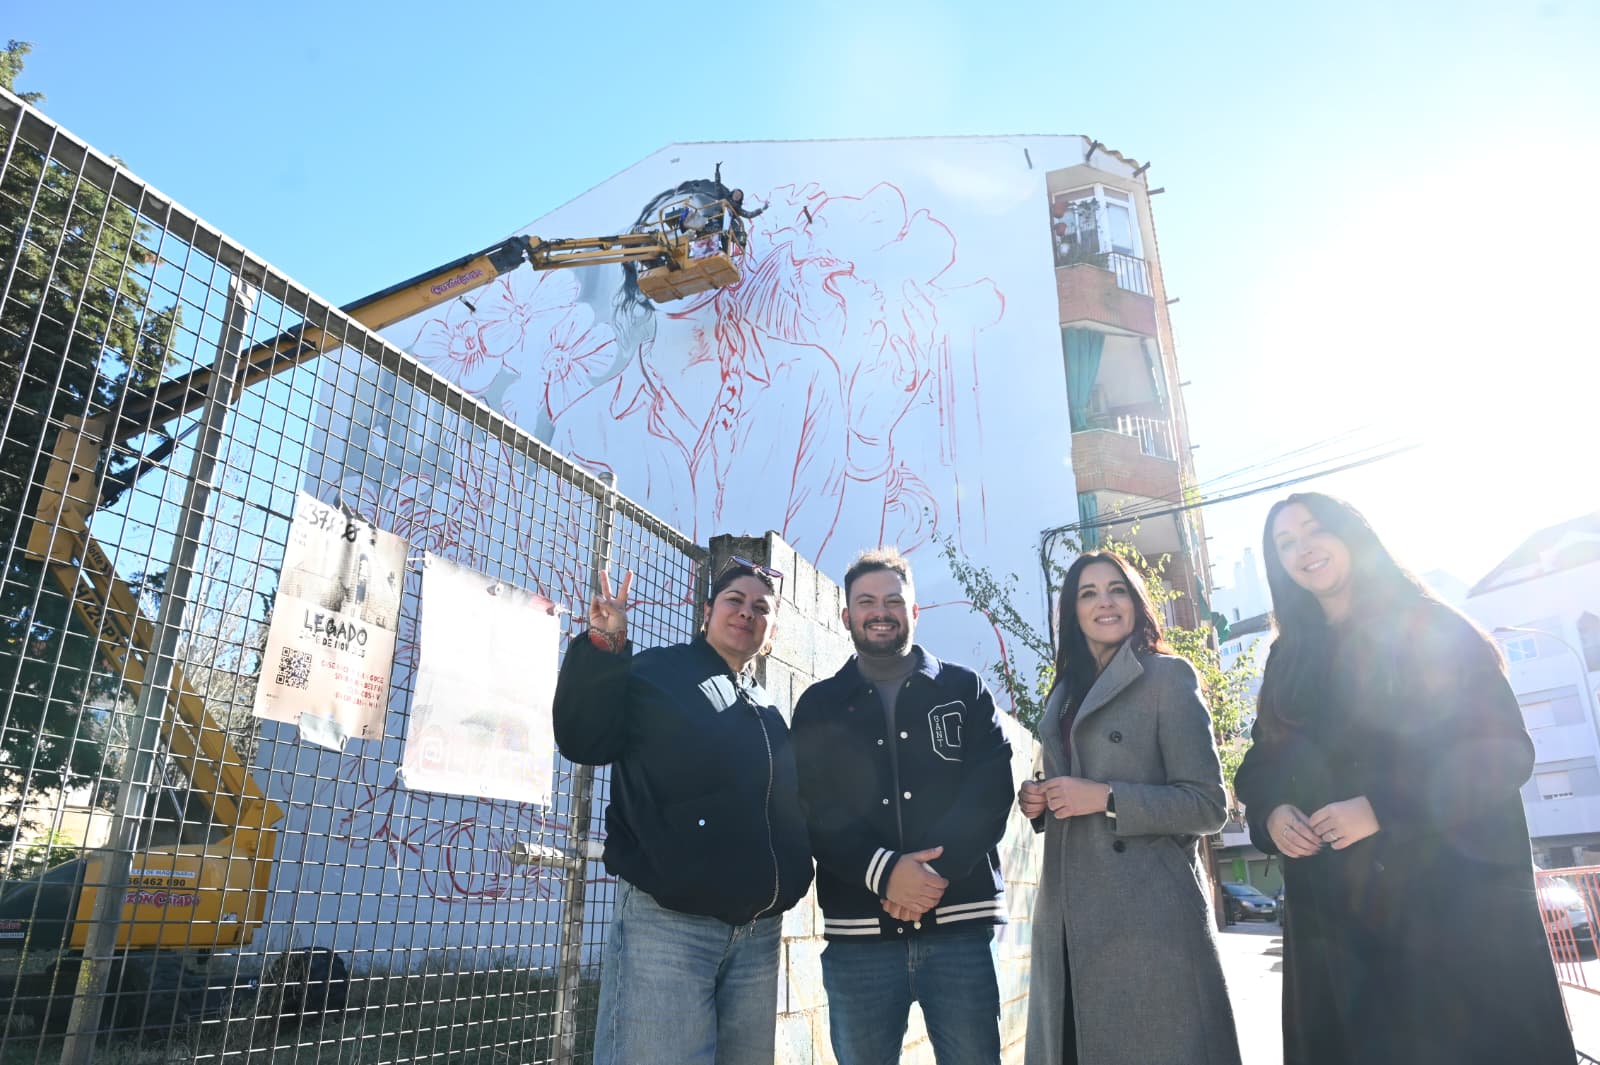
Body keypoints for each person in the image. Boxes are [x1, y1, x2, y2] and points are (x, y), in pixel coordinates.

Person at [1232, 493, 1575, 1065]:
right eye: (1285, 543)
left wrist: (1381, 807)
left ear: (1352, 534)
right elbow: (1262, 763)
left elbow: (1502, 753)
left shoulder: (1430, 626)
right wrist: (1272, 814)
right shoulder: (1288, 655)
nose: (1303, 549)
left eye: (1314, 530)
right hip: (1336, 928)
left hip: (1446, 912)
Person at [552, 558, 814, 1065]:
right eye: (734, 600)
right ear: (706, 611)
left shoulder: (767, 707)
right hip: (669, 929)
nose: (747, 612)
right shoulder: (658, 672)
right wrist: (605, 647)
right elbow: (584, 738)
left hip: (757, 937)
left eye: (761, 607)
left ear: (772, 632)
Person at [791, 548, 1014, 1064]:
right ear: (845, 615)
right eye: (866, 601)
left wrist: (930, 875)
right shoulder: (819, 705)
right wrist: (886, 874)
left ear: (915, 610)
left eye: (894, 600)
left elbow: (989, 792)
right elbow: (812, 807)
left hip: (960, 929)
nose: (881, 611)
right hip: (859, 939)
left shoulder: (964, 688)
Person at [1018, 550, 1241, 1065]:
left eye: (1116, 589)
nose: (1105, 602)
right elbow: (1071, 782)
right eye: (1088, 593)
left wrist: (1106, 797)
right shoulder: (1064, 692)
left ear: (1136, 602)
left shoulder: (1167, 677)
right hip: (1067, 919)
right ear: (1072, 612)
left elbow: (1208, 804)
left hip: (1148, 920)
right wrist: (1041, 801)